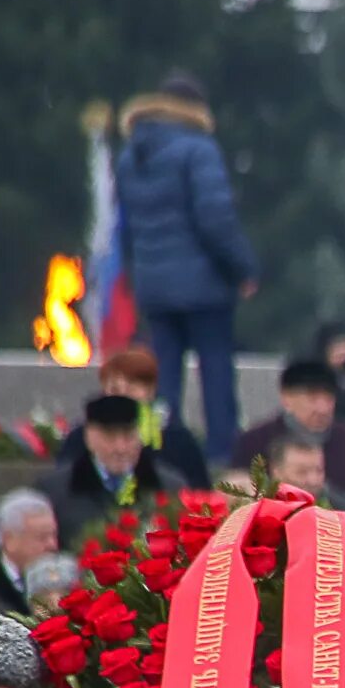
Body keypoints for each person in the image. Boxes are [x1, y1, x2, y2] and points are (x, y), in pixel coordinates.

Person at [111, 71, 257, 465]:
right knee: (215, 372)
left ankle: (157, 454)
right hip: (203, 285)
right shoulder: (198, 149)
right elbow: (215, 220)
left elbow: (123, 227)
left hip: (154, 284)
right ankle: (222, 457)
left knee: (160, 380)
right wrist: (242, 268)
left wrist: (136, 275)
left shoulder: (130, 155)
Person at [231, 358, 345, 502]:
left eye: (328, 399)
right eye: (312, 398)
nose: (323, 409)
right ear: (286, 397)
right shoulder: (254, 441)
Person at [48, 395, 188, 540]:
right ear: (89, 437)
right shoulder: (56, 491)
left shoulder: (169, 488)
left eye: (129, 437)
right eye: (110, 437)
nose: (120, 448)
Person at [95, 346, 209, 494]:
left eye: (131, 388)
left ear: (150, 392)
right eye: (115, 389)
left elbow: (202, 497)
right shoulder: (83, 438)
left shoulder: (179, 442)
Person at [0, 493, 57, 621]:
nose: (52, 545)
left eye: (54, 535)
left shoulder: (62, 584)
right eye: (42, 537)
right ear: (9, 540)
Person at [267, 432, 345, 523]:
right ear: (277, 472)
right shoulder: (258, 513)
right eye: (302, 472)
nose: (313, 480)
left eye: (319, 470)